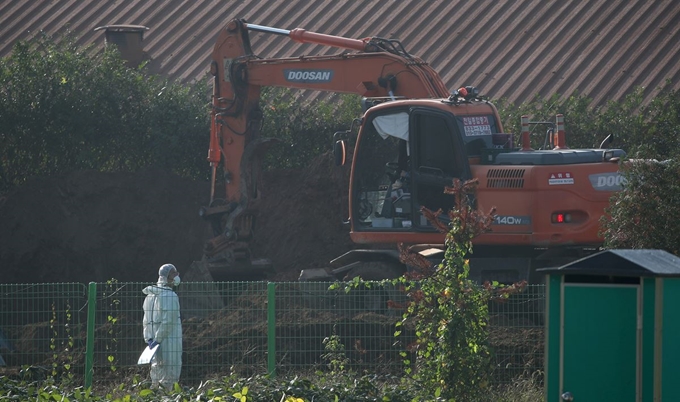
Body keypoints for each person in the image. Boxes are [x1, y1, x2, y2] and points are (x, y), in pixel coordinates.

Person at [142, 263, 182, 389]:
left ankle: (155, 396)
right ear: (167, 277)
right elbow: (168, 321)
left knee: (157, 370)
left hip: (154, 341)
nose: (177, 276)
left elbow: (146, 320)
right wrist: (158, 339)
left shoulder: (151, 295)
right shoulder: (170, 296)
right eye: (174, 273)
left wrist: (149, 338)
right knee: (170, 370)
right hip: (169, 339)